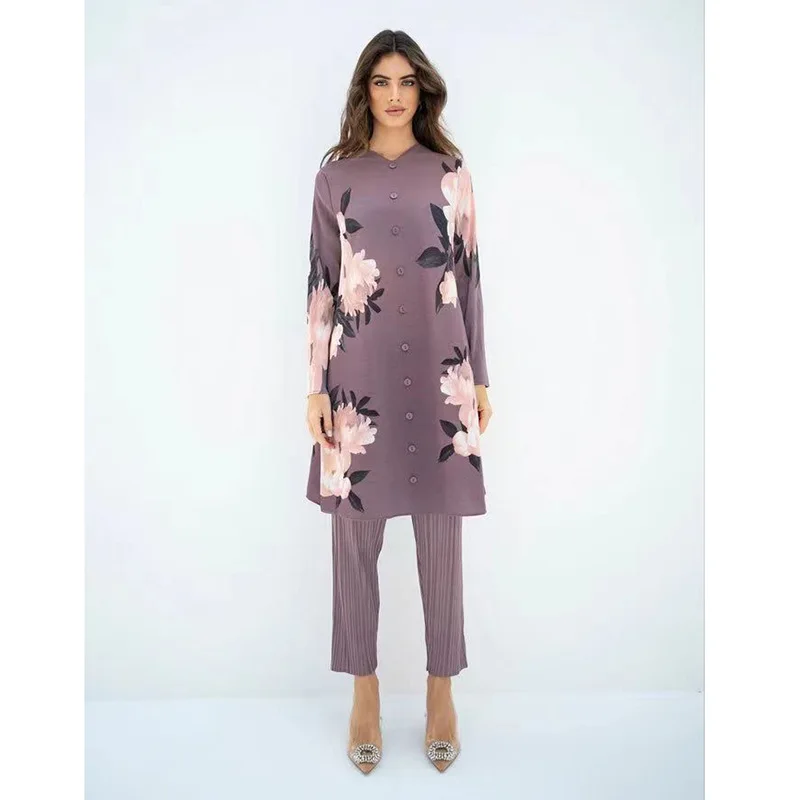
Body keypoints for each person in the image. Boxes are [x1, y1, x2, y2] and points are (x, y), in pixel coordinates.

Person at [304, 29, 493, 774]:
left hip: (441, 373)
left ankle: (442, 692)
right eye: (381, 82)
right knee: (354, 540)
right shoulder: (335, 178)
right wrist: (315, 387)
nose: (393, 95)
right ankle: (365, 693)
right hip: (357, 381)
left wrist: (481, 378)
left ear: (423, 91)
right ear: (364, 90)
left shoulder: (450, 173)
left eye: (406, 82)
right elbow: (322, 284)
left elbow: (469, 277)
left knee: (441, 540)